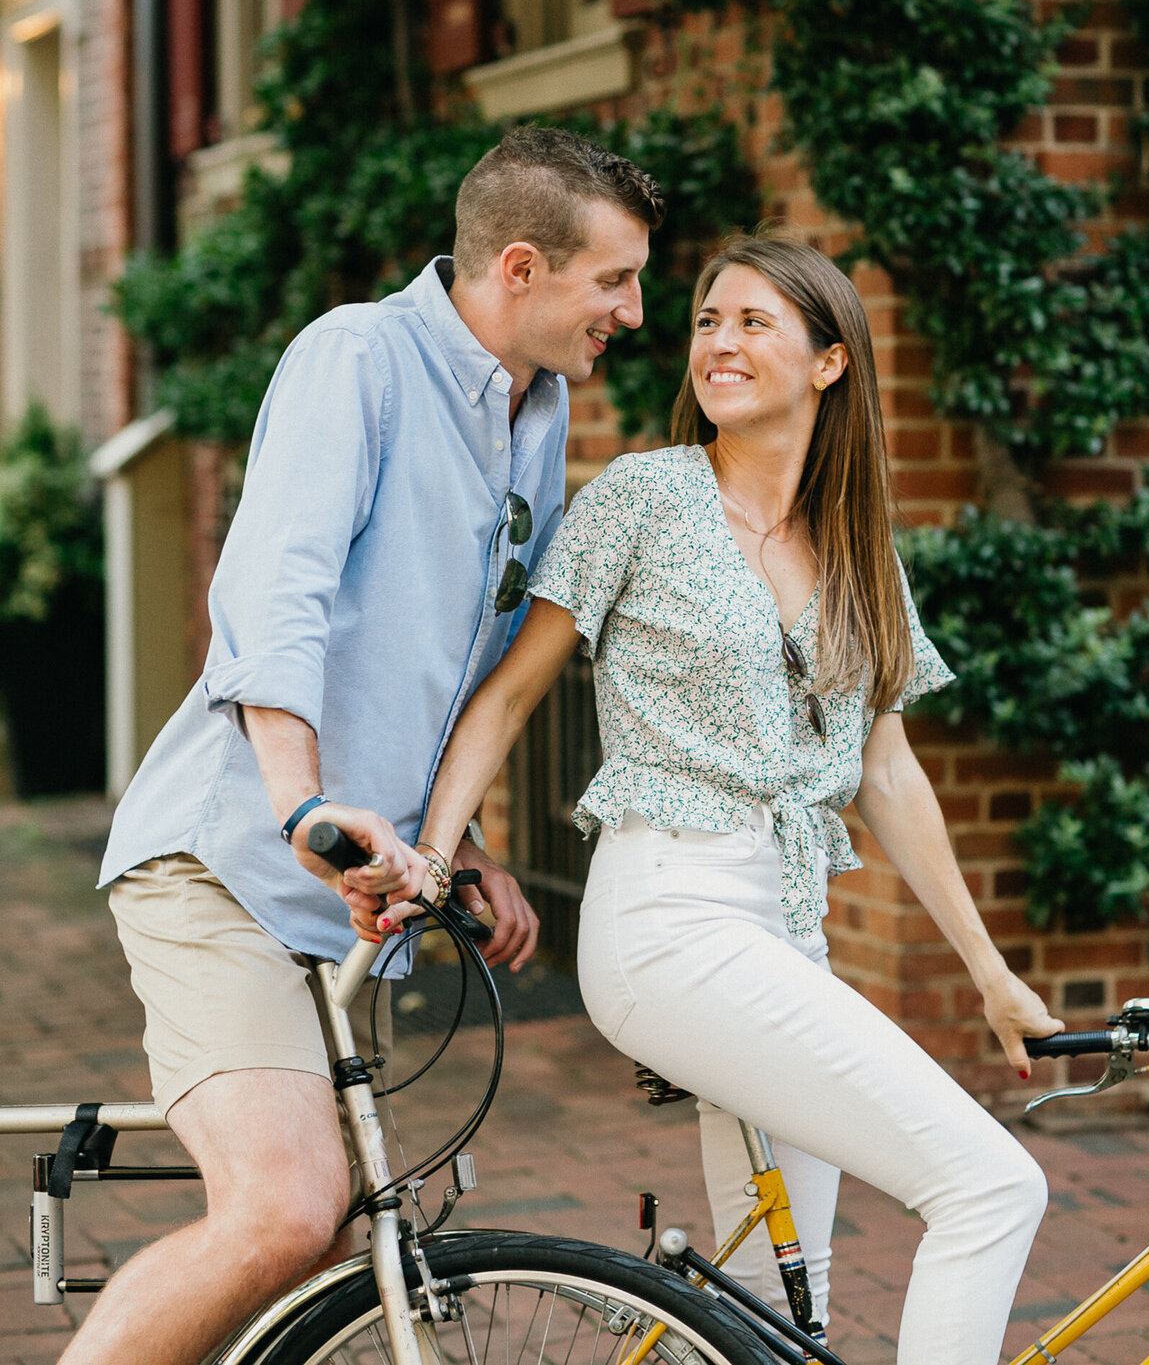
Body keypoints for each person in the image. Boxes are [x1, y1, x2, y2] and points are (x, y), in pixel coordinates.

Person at [399, 231, 1064, 1365]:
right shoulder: (643, 498)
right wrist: (431, 852)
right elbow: (510, 698)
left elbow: (889, 773)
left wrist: (992, 976)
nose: (718, 341)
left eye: (754, 322)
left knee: (772, 1303)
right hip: (668, 912)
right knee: (990, 1184)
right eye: (709, 320)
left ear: (830, 362)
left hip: (785, 928)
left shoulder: (860, 549)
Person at [66, 127, 665, 1365]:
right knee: (284, 1214)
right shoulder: (359, 357)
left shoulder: (537, 409)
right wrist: (306, 805)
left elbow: (456, 658)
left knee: (344, 1250)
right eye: (615, 279)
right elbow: (275, 596)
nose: (637, 311)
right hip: (230, 862)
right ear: (518, 266)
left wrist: (469, 843)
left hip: (357, 898)